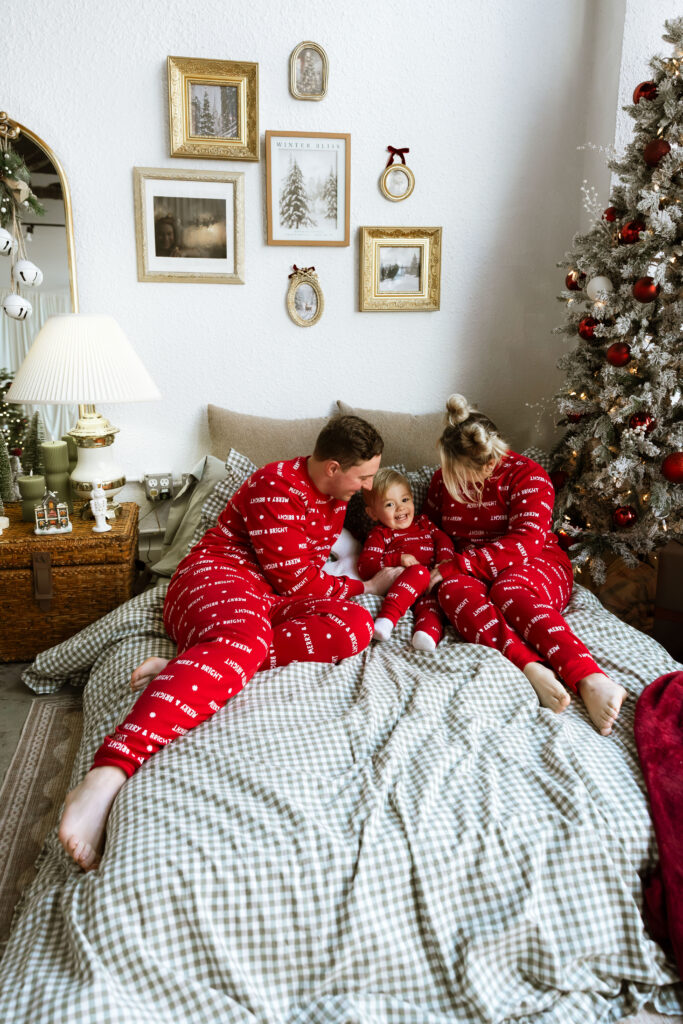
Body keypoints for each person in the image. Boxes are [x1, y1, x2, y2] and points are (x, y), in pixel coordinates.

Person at [58, 416, 401, 871]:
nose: (368, 486)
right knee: (249, 637)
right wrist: (368, 586)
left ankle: (197, 664)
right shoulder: (274, 486)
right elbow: (296, 581)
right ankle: (107, 774)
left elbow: (302, 586)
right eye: (364, 476)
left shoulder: (336, 497)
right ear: (334, 467)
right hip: (218, 578)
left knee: (354, 627)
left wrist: (363, 593)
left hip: (269, 599)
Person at [425, 393, 627, 735]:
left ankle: (589, 677)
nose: (453, 484)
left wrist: (461, 563)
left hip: (534, 559)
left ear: (490, 464)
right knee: (451, 590)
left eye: (462, 478)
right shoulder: (441, 479)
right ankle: (529, 666)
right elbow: (433, 526)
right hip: (470, 565)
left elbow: (526, 541)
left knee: (508, 590)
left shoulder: (527, 476)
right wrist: (446, 562)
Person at [357, 468, 454, 650]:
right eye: (389, 504)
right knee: (419, 572)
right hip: (405, 585)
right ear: (373, 514)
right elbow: (366, 565)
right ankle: (386, 620)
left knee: (432, 607)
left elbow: (444, 540)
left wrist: (444, 560)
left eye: (404, 500)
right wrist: (398, 559)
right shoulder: (380, 534)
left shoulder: (424, 523)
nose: (401, 508)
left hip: (431, 585)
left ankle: (426, 635)